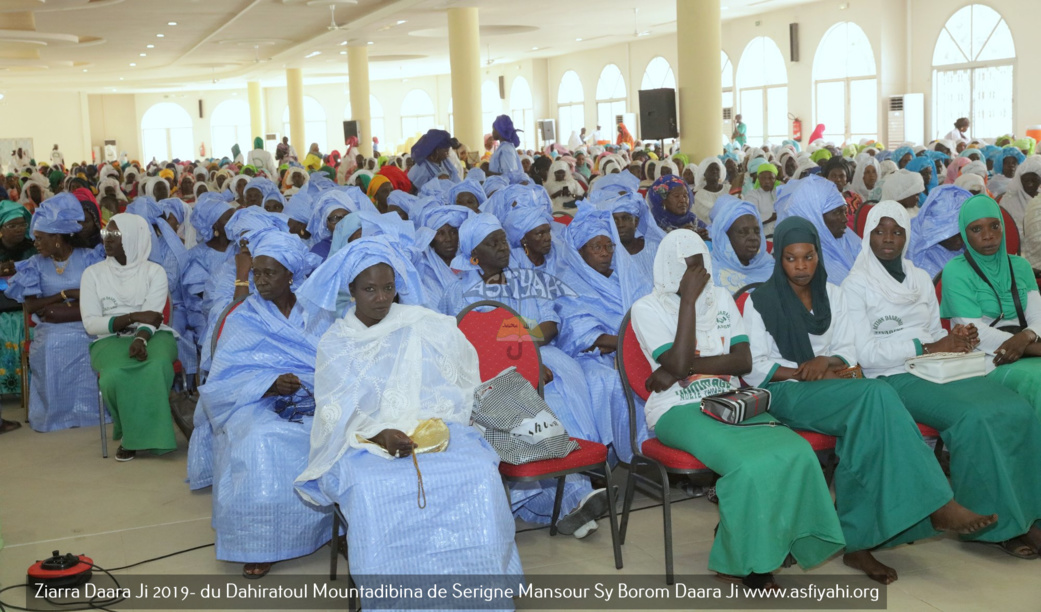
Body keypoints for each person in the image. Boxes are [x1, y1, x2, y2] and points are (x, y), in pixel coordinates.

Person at [743, 215, 998, 584]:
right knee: (877, 394)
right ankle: (937, 503)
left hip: (833, 387)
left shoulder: (833, 295)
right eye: (791, 258)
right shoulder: (760, 302)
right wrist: (804, 370)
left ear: (818, 255)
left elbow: (848, 351)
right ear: (778, 258)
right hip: (785, 390)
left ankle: (858, 544)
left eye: (809, 256)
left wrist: (826, 362)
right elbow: (754, 369)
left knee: (865, 430)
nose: (801, 266)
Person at [293, 237, 522, 607]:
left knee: (479, 472)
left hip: (430, 429)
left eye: (388, 288)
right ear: (351, 291)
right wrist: (376, 433)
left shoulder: (421, 324)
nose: (381, 298)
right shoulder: (336, 342)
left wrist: (429, 423)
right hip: (362, 444)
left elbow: (456, 386)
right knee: (372, 490)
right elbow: (334, 413)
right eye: (369, 289)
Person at [632, 228, 844, 588]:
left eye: (700, 267)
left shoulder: (722, 300)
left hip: (732, 400)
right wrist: (687, 304)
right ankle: (747, 560)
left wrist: (683, 368)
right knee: (747, 465)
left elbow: (742, 361)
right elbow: (680, 362)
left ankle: (780, 539)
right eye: (686, 269)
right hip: (676, 408)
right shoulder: (647, 308)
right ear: (669, 270)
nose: (696, 277)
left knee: (796, 450)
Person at [843, 201, 1041, 559]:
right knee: (975, 417)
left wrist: (960, 340)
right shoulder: (854, 286)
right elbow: (866, 354)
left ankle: (1028, 516)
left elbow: (936, 330)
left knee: (1016, 408)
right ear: (867, 235)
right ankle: (998, 526)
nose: (889, 239)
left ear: (907, 236)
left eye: (898, 231)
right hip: (893, 378)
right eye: (880, 231)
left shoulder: (918, 276)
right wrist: (928, 345)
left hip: (939, 365)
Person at [198, 230, 330, 579]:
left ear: (291, 274)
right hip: (255, 401)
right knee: (259, 440)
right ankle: (258, 541)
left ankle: (330, 527)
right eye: (256, 272)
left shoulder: (317, 313)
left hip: (316, 397)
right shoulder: (244, 317)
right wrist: (268, 384)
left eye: (270, 272)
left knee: (339, 430)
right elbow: (223, 381)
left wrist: (311, 385)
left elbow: (336, 362)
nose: (260, 280)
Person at [556, 203, 652, 463]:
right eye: (596, 247)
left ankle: (654, 451)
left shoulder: (626, 276)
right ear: (579, 252)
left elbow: (650, 311)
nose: (605, 253)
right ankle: (618, 455)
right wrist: (630, 344)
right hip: (591, 358)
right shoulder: (568, 282)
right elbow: (586, 336)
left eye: (609, 246)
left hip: (635, 347)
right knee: (608, 381)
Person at [80, 214, 178, 461]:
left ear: (133, 238)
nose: (108, 240)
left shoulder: (154, 272)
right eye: (106, 234)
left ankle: (150, 438)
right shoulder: (92, 274)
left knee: (156, 366)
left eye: (115, 235)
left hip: (154, 335)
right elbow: (91, 324)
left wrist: (141, 338)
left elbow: (154, 317)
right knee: (114, 375)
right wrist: (132, 316)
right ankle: (130, 435)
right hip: (108, 339)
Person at [5, 194, 102, 432]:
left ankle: (86, 412)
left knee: (87, 342)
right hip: (50, 329)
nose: (35, 243)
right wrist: (67, 294)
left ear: (57, 237)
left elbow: (97, 297)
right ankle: (57, 414)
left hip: (86, 323)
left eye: (39, 238)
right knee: (50, 345)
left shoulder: (90, 258)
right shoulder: (35, 265)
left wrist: (56, 304)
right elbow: (31, 307)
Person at [941, 195, 1041, 415]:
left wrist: (1025, 338)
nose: (988, 236)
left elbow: (1038, 317)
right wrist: (1033, 347)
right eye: (976, 229)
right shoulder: (955, 271)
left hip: (1027, 347)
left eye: (995, 226)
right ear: (963, 234)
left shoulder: (1020, 265)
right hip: (986, 359)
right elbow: (975, 335)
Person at [779, 175, 860, 284]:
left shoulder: (846, 237)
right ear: (815, 218)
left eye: (844, 211)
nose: (845, 219)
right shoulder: (802, 261)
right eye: (836, 213)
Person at [709, 195, 774, 294]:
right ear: (725, 238)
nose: (753, 238)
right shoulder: (711, 274)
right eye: (743, 232)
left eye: (757, 231)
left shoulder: (769, 267)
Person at [907, 185, 971, 279]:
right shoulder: (920, 259)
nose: (959, 241)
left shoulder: (968, 251)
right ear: (935, 233)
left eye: (963, 233)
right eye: (952, 235)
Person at [996, 156, 1041, 238]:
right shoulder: (1008, 201)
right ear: (1019, 181)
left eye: (1034, 181)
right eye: (1026, 181)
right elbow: (1006, 231)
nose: (1030, 184)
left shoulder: (1039, 198)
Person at [744, 162, 779, 235]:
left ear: (775, 179)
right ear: (758, 179)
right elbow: (751, 218)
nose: (767, 181)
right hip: (762, 236)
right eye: (763, 178)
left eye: (771, 178)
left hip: (780, 234)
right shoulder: (752, 195)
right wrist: (772, 216)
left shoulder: (779, 193)